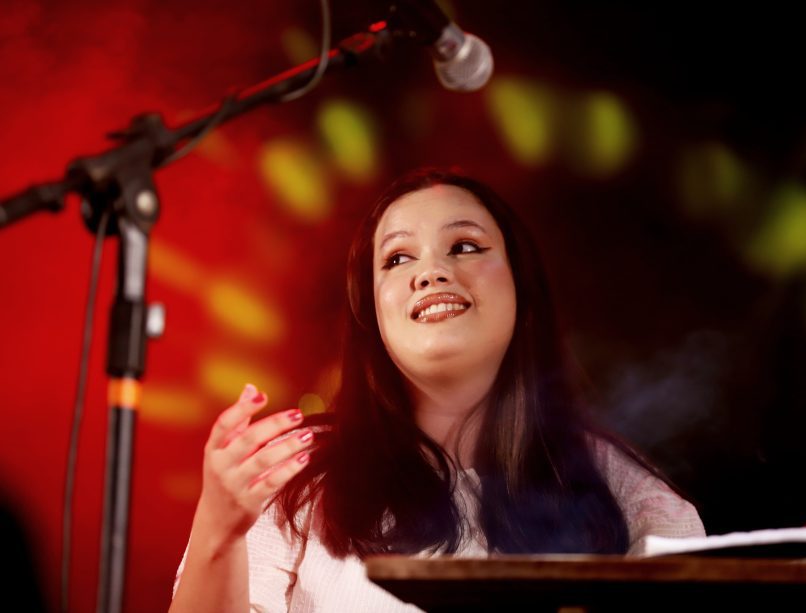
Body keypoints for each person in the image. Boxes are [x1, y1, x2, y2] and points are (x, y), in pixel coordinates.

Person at [170, 168, 705, 612]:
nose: (430, 273)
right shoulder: (296, 481)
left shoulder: (629, 496)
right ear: (370, 312)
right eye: (397, 258)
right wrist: (219, 531)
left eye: (464, 246)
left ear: (522, 287)